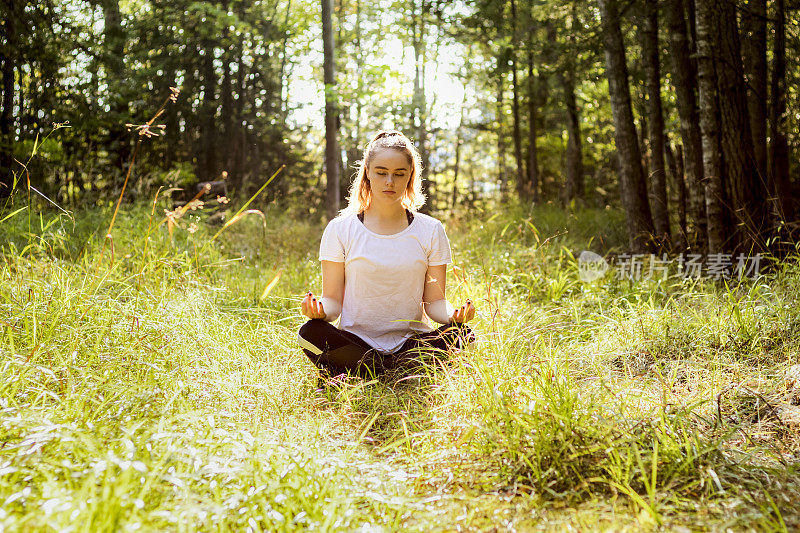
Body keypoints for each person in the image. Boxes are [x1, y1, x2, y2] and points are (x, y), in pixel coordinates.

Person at [297, 130, 476, 377]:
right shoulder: (340, 229)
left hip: (411, 344)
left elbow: (434, 302)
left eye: (398, 174)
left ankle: (369, 371)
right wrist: (319, 310)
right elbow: (333, 302)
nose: (389, 181)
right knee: (310, 332)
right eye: (381, 172)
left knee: (462, 335)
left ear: (410, 176)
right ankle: (395, 372)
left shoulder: (431, 230)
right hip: (355, 341)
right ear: (367, 173)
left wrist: (453, 315)